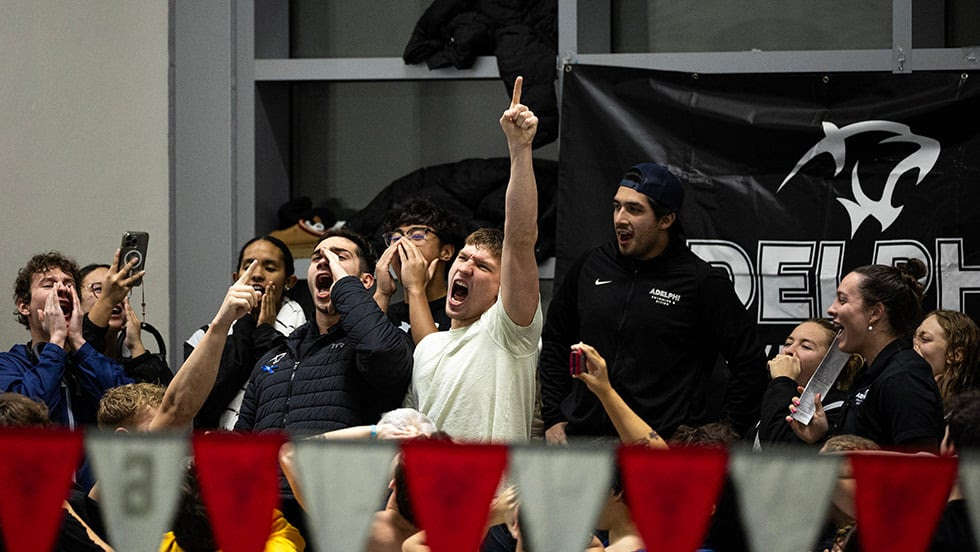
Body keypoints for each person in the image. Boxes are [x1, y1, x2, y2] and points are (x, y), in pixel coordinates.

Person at [539, 162, 768, 444]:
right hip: (585, 442)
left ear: (666, 220)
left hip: (660, 447)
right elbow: (555, 340)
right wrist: (553, 416)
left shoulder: (701, 282)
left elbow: (750, 363)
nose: (620, 218)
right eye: (616, 206)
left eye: (634, 209)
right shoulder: (592, 266)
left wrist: (719, 438)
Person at [403, 76, 543, 442]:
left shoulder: (508, 333)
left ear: (503, 290)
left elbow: (521, 236)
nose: (465, 266)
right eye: (464, 258)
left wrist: (520, 149)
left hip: (493, 497)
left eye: (482, 266)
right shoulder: (428, 348)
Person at [235, 227, 412, 435]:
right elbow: (243, 436)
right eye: (317, 256)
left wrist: (345, 285)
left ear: (365, 282)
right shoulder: (275, 355)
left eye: (339, 257)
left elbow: (380, 352)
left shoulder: (381, 340)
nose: (324, 260)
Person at [787, 260, 944, 452]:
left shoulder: (904, 377)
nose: (831, 309)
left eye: (842, 300)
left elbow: (925, 465)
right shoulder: (871, 373)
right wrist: (825, 436)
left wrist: (852, 457)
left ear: (875, 313)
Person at [186, 235, 306, 429]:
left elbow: (280, 385)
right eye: (248, 265)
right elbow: (202, 404)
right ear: (236, 278)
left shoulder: (305, 335)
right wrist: (244, 323)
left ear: (289, 281)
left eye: (270, 268)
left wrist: (265, 332)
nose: (257, 274)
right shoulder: (203, 337)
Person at [0, 251, 132, 429]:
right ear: (24, 306)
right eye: (48, 285)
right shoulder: (9, 364)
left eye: (69, 284)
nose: (62, 288)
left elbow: (129, 409)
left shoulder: (90, 360)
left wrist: (77, 340)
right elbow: (23, 419)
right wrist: (57, 341)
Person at [751, 319, 859, 449]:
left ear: (829, 363)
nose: (789, 350)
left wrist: (782, 380)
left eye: (806, 346)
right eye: (788, 343)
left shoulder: (839, 409)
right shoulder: (774, 401)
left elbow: (776, 450)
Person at [373, 197, 462, 344]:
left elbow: (433, 360)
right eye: (395, 239)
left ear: (446, 252)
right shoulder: (384, 312)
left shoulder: (459, 313)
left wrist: (415, 289)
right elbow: (362, 358)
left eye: (417, 236)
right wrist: (382, 293)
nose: (403, 244)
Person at [78, 257, 172, 385]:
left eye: (119, 290)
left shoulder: (133, 362)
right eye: (100, 289)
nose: (114, 296)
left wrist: (137, 349)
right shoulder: (69, 357)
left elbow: (161, 401)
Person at [913, 309, 980, 412]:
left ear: (956, 355)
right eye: (914, 337)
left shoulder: (972, 411)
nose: (914, 347)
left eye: (925, 339)